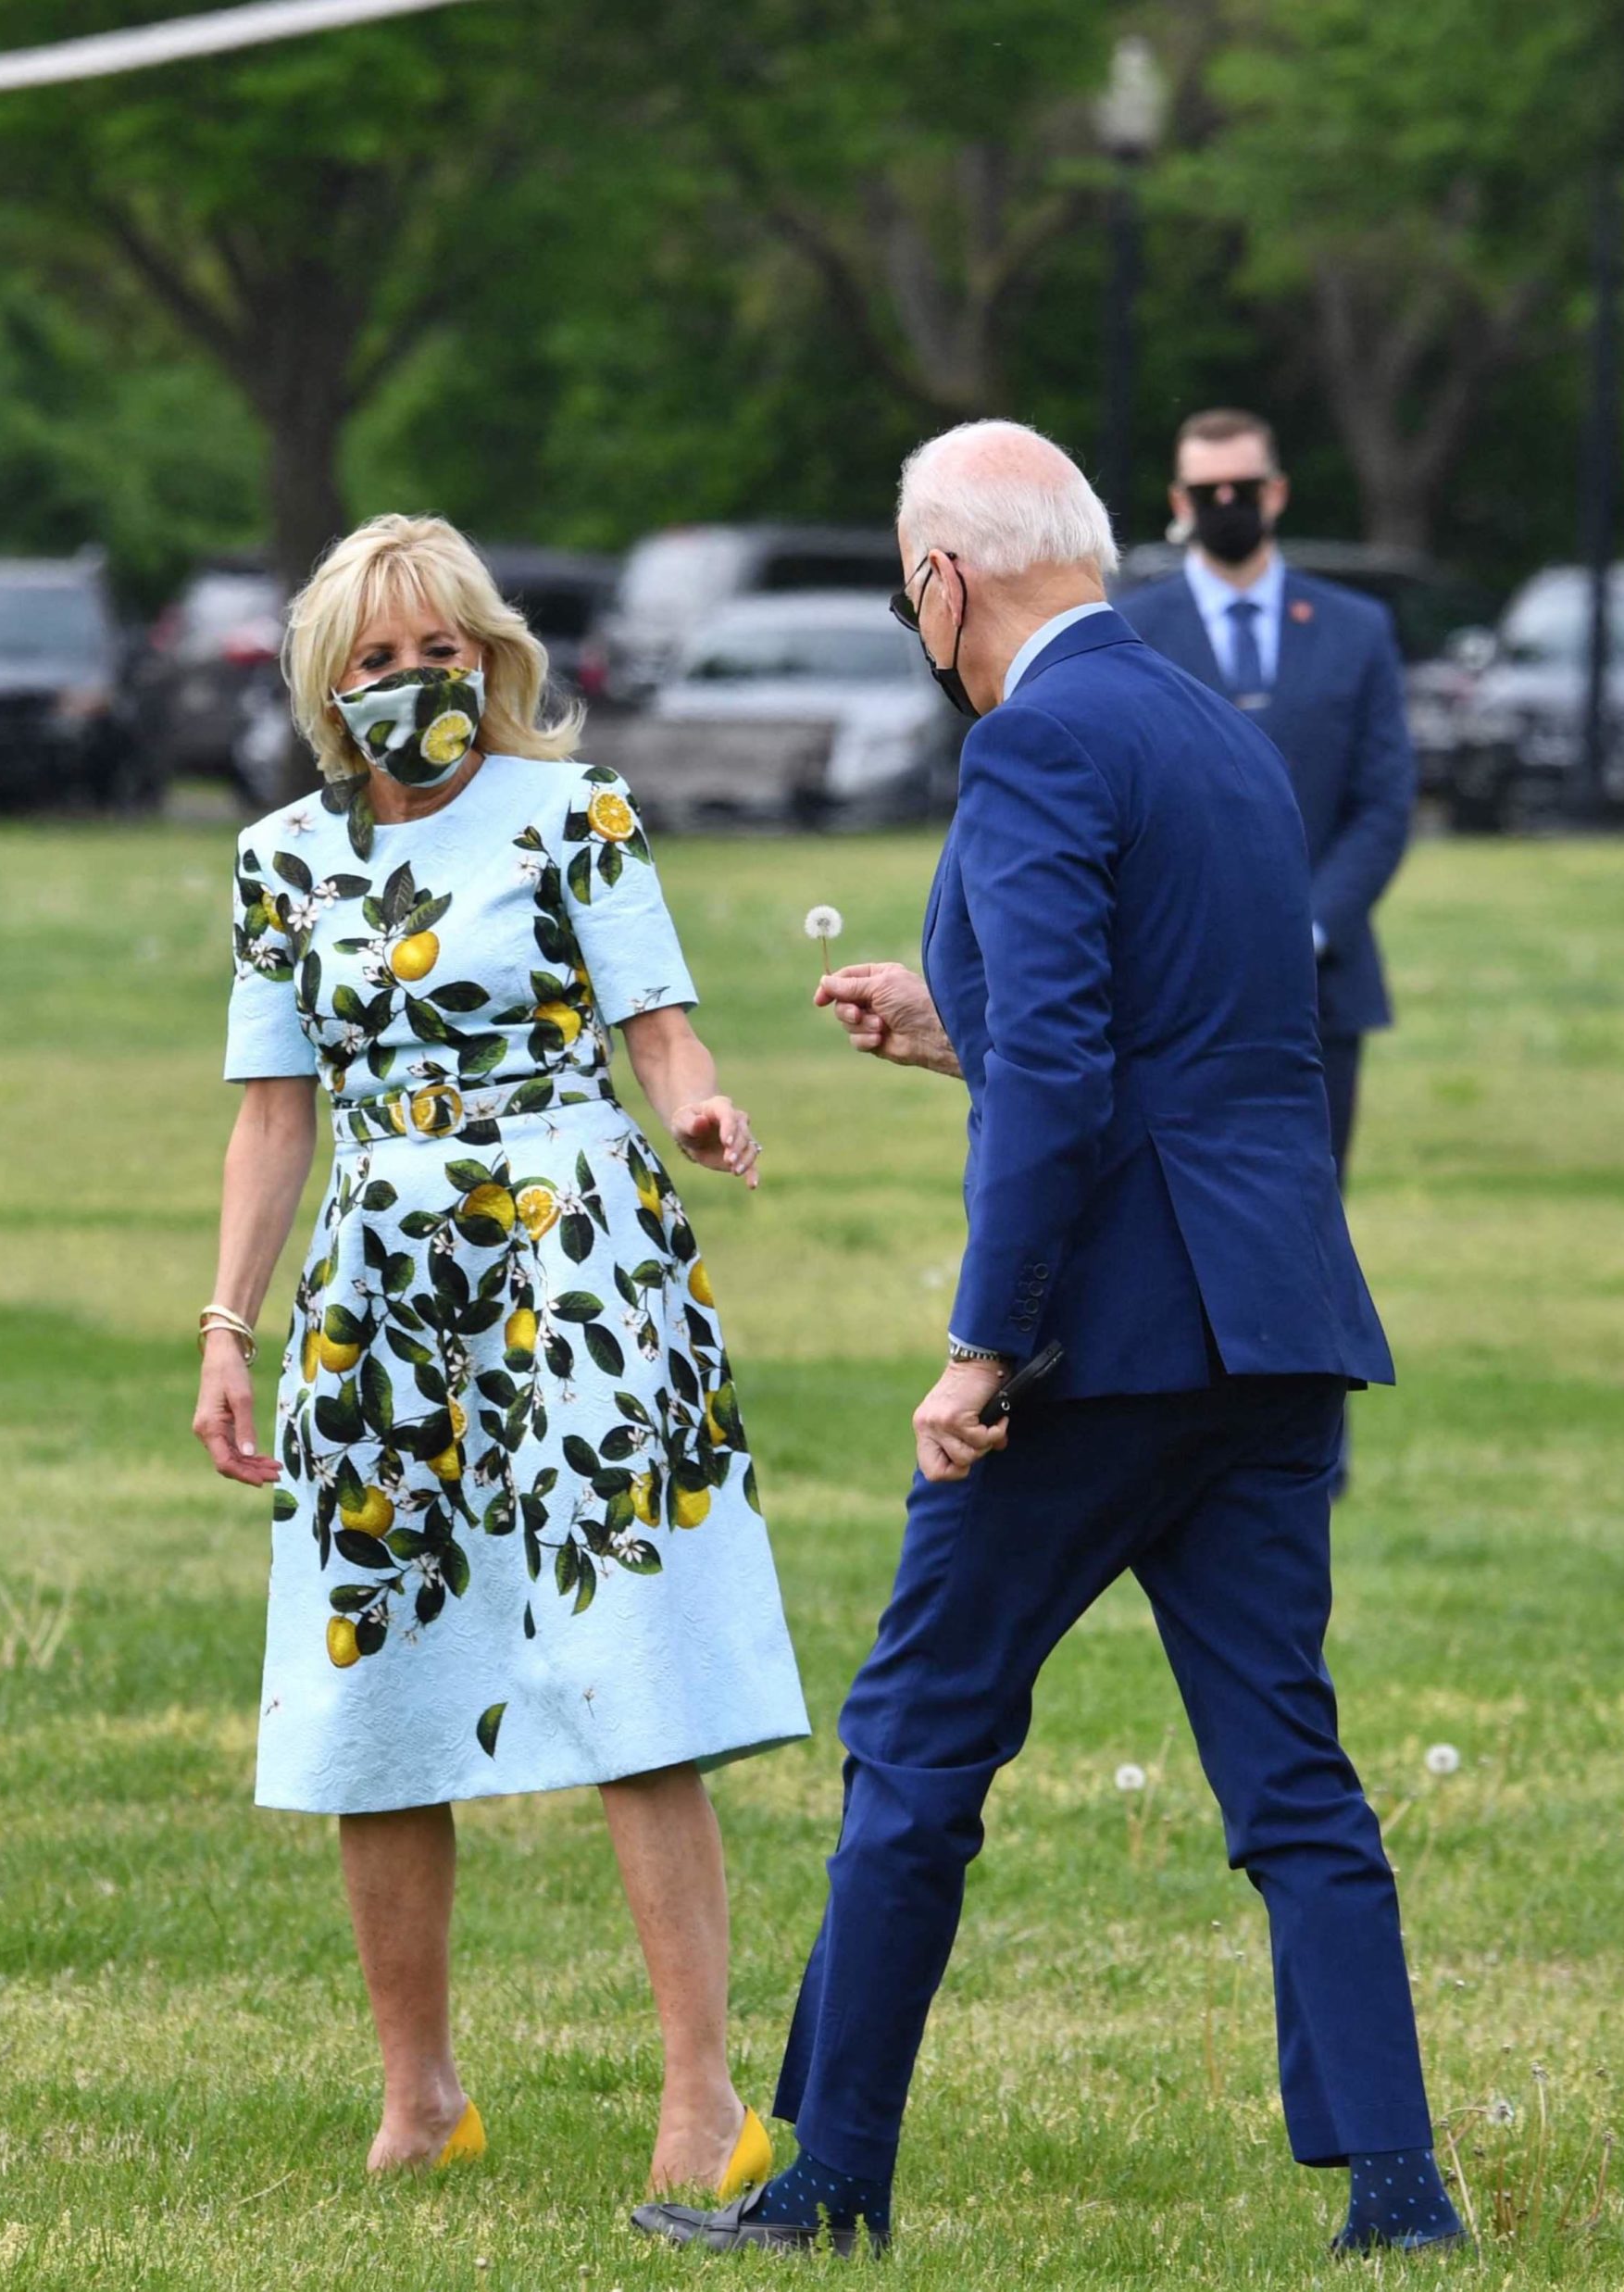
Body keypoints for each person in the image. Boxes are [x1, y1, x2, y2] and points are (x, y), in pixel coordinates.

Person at [632, 425, 1461, 2261]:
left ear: (942, 580)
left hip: (1099, 1345)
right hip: (1274, 1323)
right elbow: (1188, 1037)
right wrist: (962, 1021)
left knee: (914, 1743)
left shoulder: (1031, 747)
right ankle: (1396, 2190)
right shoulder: (1223, 744)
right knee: (1287, 1767)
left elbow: (1077, 1090)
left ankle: (827, 2181)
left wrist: (982, 1344)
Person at [191, 512, 806, 2194]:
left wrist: (699, 1106)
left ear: (494, 661)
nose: (415, 686)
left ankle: (704, 2099)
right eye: (379, 663)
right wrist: (229, 1326)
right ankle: (422, 2098)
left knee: (631, 1661)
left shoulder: (574, 815)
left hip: (577, 1260)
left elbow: (658, 1036)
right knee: (373, 1677)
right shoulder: (280, 865)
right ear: (330, 685)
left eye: (443, 654)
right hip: (376, 1287)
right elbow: (273, 1118)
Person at [1116, 409, 1416, 1192]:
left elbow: (1383, 803)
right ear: (1179, 505)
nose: (1225, 502)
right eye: (1205, 490)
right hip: (1175, 988)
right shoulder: (1130, 629)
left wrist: (1307, 926)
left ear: (1276, 492)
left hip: (1321, 985)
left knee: (1310, 1212)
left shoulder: (1357, 629)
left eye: (1241, 487)